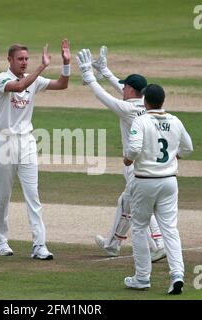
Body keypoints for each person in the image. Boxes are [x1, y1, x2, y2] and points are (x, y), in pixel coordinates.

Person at [75, 47, 166, 262]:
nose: (122, 88)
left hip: (137, 169)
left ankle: (156, 246)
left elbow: (104, 97)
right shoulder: (145, 105)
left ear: (132, 90)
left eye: (125, 86)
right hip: (152, 166)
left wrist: (89, 76)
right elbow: (121, 90)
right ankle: (113, 244)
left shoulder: (128, 109)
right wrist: (105, 72)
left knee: (137, 210)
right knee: (126, 205)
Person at [0, 40, 71, 259]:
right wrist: (42, 67)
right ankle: (0, 241)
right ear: (10, 60)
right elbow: (18, 87)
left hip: (26, 141)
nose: (24, 62)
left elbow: (62, 85)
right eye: (20, 59)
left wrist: (66, 63)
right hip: (4, 140)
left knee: (33, 194)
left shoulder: (33, 80)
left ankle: (39, 245)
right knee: (3, 195)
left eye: (27, 59)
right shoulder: (1, 79)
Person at [123, 84, 193, 294]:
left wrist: (128, 159)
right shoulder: (175, 120)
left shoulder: (141, 120)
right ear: (163, 101)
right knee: (170, 229)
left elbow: (134, 148)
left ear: (145, 101)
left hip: (145, 181)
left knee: (139, 227)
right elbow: (188, 148)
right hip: (169, 181)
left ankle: (142, 277)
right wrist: (174, 156)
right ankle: (177, 275)